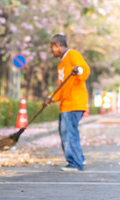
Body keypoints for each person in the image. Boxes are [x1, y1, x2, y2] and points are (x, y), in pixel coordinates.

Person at [44, 34, 90, 172]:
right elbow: (62, 87)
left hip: (74, 103)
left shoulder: (72, 54)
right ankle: (79, 158)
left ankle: (75, 163)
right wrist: (51, 98)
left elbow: (85, 70)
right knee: (70, 132)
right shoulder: (61, 65)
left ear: (57, 45)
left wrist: (78, 70)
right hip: (67, 104)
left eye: (52, 47)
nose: (51, 51)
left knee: (68, 134)